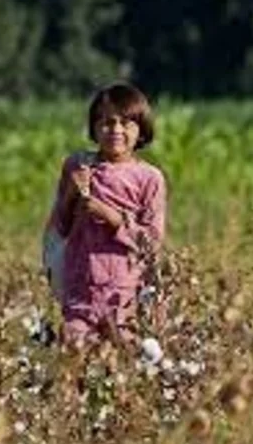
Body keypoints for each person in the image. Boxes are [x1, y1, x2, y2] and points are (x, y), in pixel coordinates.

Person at [43, 82, 167, 347]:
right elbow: (61, 227)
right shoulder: (77, 166)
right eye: (107, 122)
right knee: (72, 357)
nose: (116, 131)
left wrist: (112, 217)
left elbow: (151, 243)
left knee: (122, 363)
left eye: (127, 123)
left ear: (141, 129)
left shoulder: (149, 178)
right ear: (94, 127)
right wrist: (70, 195)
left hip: (124, 294)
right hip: (80, 288)